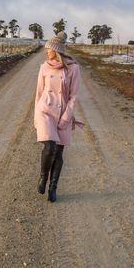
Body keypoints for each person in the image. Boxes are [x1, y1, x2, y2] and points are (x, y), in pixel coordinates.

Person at [34, 31, 84, 202]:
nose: (46, 52)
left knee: (58, 153)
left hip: (63, 113)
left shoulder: (73, 68)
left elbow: (73, 96)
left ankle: (53, 188)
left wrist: (66, 117)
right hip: (45, 111)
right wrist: (36, 118)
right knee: (49, 148)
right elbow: (39, 93)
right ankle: (43, 177)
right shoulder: (44, 67)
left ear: (56, 50)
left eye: (48, 49)